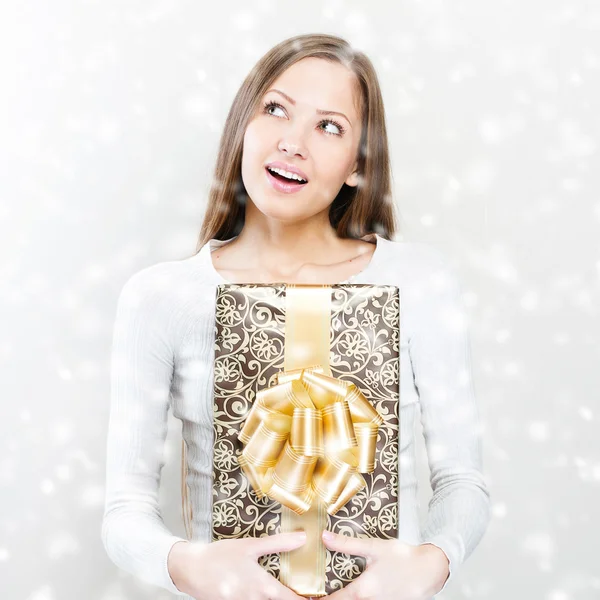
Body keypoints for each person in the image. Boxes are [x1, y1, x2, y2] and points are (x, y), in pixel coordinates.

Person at [101, 33, 491, 600]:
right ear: (243, 127)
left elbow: (462, 483)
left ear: (359, 165)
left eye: (329, 126)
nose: (293, 142)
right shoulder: (162, 298)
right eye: (276, 109)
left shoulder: (420, 286)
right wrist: (190, 565)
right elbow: (124, 512)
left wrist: (431, 563)